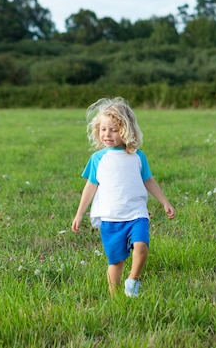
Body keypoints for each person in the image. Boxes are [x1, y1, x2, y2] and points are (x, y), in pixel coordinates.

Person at [71, 97, 176, 297]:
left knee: (142, 246)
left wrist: (165, 202)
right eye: (103, 129)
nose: (107, 134)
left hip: (136, 214)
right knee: (115, 261)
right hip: (111, 217)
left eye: (114, 129)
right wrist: (79, 214)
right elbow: (90, 187)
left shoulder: (137, 156)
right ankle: (115, 298)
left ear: (126, 130)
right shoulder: (98, 159)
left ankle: (133, 280)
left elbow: (149, 180)